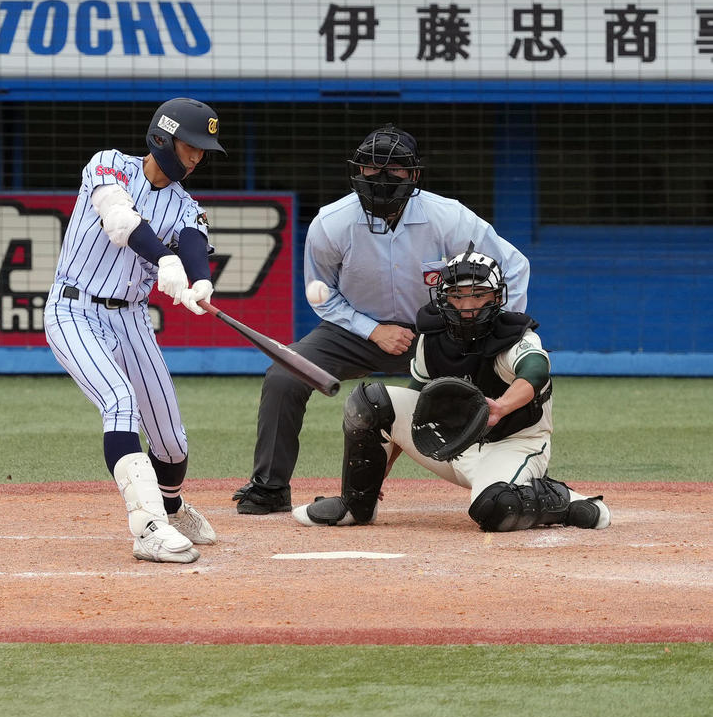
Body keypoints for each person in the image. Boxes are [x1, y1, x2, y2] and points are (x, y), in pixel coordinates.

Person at [234, 124, 532, 514]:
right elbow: (322, 293)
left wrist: (492, 334)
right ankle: (269, 487)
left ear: (414, 174)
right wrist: (373, 330)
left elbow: (513, 266)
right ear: (358, 171)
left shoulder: (448, 217)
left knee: (500, 381)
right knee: (284, 374)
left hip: (441, 332)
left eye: (394, 169)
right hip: (354, 330)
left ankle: (516, 480)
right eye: (372, 167)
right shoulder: (331, 223)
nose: (382, 177)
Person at [291, 243, 610, 531]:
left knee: (496, 508)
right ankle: (356, 504)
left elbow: (535, 373)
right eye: (457, 296)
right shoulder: (431, 339)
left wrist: (501, 407)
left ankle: (561, 498)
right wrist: (380, 469)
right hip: (453, 442)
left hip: (513, 444)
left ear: (497, 298)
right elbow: (414, 410)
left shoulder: (514, 337)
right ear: (443, 298)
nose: (467, 305)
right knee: (371, 402)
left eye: (478, 295)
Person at [43, 97, 224, 564]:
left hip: (132, 319)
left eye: (203, 150)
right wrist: (163, 259)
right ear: (162, 138)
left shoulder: (185, 204)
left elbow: (194, 243)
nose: (196, 157)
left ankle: (171, 508)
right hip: (74, 309)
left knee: (171, 441)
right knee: (120, 402)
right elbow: (120, 220)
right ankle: (147, 529)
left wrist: (198, 282)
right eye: (190, 145)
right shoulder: (109, 164)